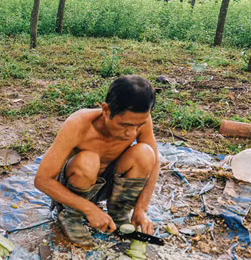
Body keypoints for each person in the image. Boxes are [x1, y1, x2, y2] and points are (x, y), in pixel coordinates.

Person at [34, 75, 159, 248]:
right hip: (76, 184)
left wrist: (141, 209)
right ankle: (71, 217)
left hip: (110, 185)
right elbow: (42, 180)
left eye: (138, 126)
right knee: (89, 159)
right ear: (106, 110)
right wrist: (88, 208)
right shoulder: (78, 124)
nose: (132, 133)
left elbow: (154, 165)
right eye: (125, 125)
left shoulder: (138, 119)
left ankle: (119, 214)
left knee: (146, 153)